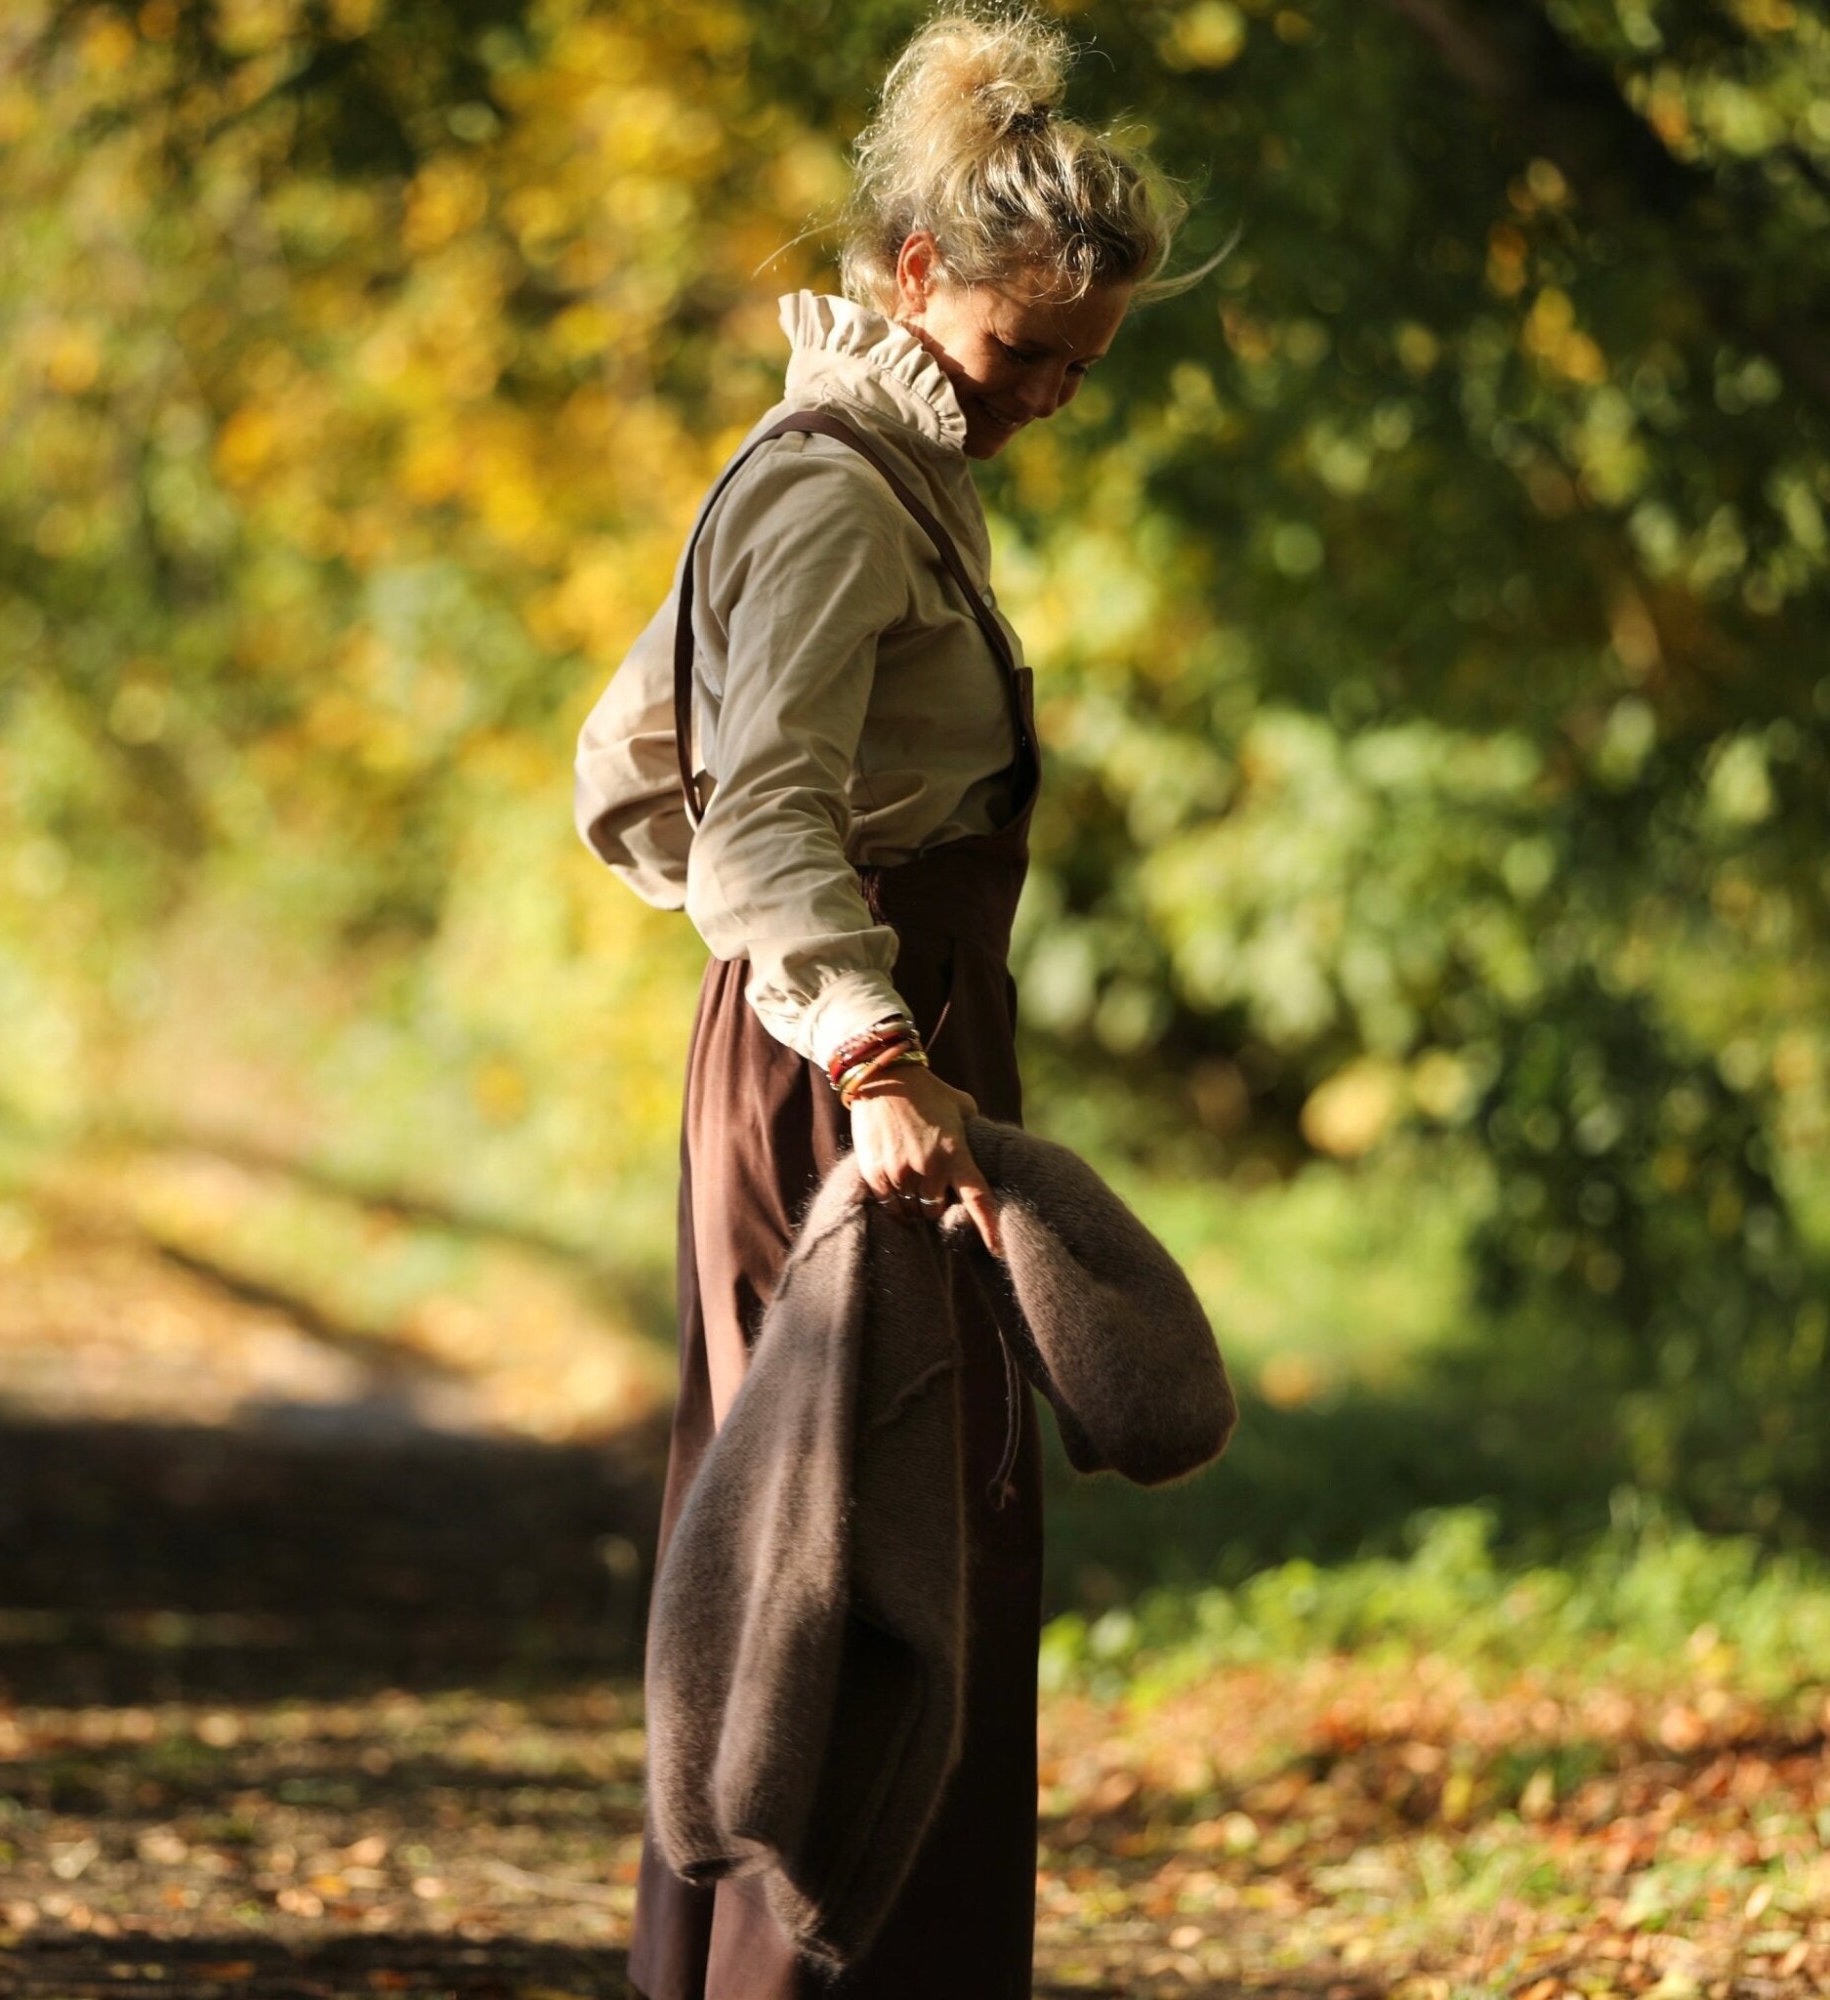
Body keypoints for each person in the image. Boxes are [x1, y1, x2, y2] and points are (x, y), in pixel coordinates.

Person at [574, 10, 1224, 1995]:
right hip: (850, 1075)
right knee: (840, 1574)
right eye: (1026, 350)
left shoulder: (898, 472)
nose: (1048, 396)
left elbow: (658, 773)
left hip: (881, 1044)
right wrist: (859, 1039)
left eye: (1080, 366)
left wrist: (857, 1007)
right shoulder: (834, 492)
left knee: (900, 1542)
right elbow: (745, 808)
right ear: (920, 272)